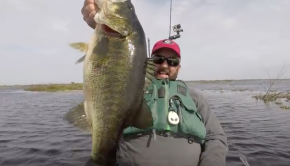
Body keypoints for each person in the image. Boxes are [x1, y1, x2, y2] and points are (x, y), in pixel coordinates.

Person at [81, 1, 229, 166]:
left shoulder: (196, 98)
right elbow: (112, 73)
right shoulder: (133, 90)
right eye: (159, 59)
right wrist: (100, 23)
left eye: (172, 62)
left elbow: (216, 137)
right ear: (147, 62)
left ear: (178, 68)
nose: (165, 65)